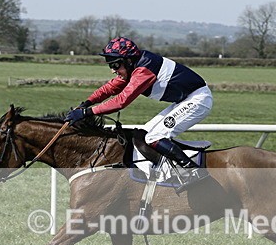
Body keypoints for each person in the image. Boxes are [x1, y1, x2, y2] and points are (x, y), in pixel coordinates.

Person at [65, 37, 212, 189]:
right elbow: (110, 88)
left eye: (115, 64)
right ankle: (169, 169)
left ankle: (193, 171)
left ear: (128, 61)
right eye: (110, 65)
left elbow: (121, 101)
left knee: (155, 137)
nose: (113, 70)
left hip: (198, 100)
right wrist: (87, 102)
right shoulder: (133, 68)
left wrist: (87, 112)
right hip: (185, 100)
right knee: (144, 133)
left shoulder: (143, 70)